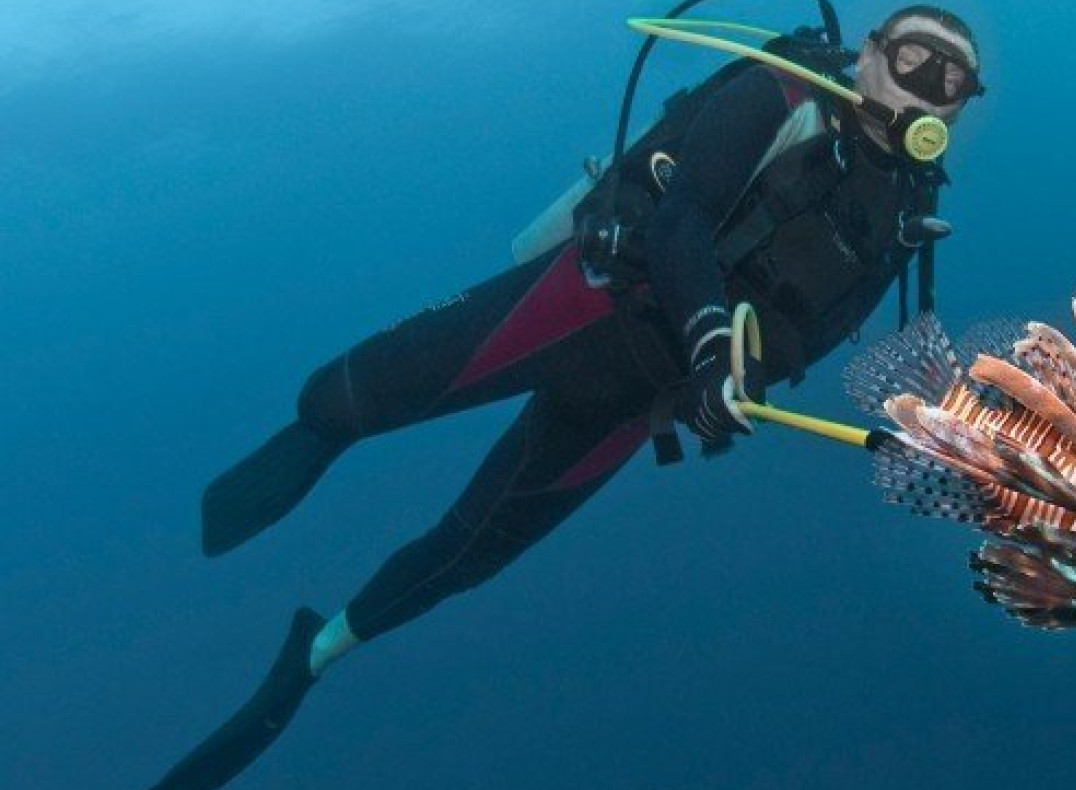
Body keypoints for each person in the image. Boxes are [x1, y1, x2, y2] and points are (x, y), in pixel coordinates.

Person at [148, 5, 984, 789]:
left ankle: (316, 655)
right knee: (352, 395)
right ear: (870, 54)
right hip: (585, 302)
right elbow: (682, 217)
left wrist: (729, 396)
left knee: (466, 553)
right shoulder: (786, 94)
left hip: (638, 399)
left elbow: (808, 330)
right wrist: (706, 345)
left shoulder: (906, 211)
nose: (926, 89)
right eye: (914, 60)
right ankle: (309, 443)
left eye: (951, 83)